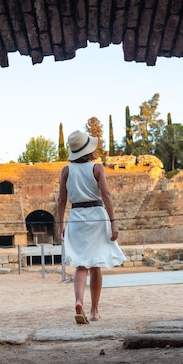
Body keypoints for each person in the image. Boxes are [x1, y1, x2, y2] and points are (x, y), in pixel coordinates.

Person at [57, 130, 126, 324]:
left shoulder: (66, 171)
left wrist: (61, 224)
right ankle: (94, 311)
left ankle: (79, 301)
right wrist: (113, 223)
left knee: (80, 265)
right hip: (96, 215)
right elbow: (106, 195)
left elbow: (61, 200)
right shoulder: (97, 168)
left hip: (77, 216)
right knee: (96, 265)